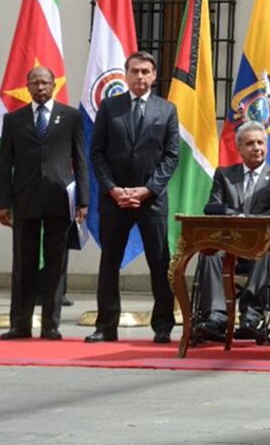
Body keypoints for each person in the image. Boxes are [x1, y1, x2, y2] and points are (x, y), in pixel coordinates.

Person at [85, 51, 179, 344]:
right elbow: (97, 152)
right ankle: (106, 326)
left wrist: (148, 189)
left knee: (160, 263)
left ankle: (162, 325)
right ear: (125, 75)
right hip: (115, 199)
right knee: (109, 263)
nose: (140, 76)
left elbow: (171, 156)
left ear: (154, 76)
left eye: (145, 71)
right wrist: (112, 189)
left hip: (151, 200)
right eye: (135, 71)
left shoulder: (167, 110)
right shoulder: (109, 107)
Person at [0, 66, 88, 341]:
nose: (40, 87)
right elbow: (4, 164)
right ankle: (20, 324)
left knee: (56, 264)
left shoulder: (70, 117)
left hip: (60, 200)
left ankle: (51, 325)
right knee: (24, 262)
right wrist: (2, 202)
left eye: (45, 82)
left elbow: (80, 160)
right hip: (25, 199)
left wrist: (83, 200)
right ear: (27, 87)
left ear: (53, 85)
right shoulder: (14, 120)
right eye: (35, 83)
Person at [195, 121, 270, 341]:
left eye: (260, 143)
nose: (256, 148)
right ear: (239, 149)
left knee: (265, 249)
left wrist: (247, 221)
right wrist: (236, 216)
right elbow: (213, 206)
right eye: (250, 144)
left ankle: (251, 314)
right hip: (229, 243)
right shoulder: (224, 175)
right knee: (209, 252)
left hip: (262, 243)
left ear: (266, 146)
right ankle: (216, 316)